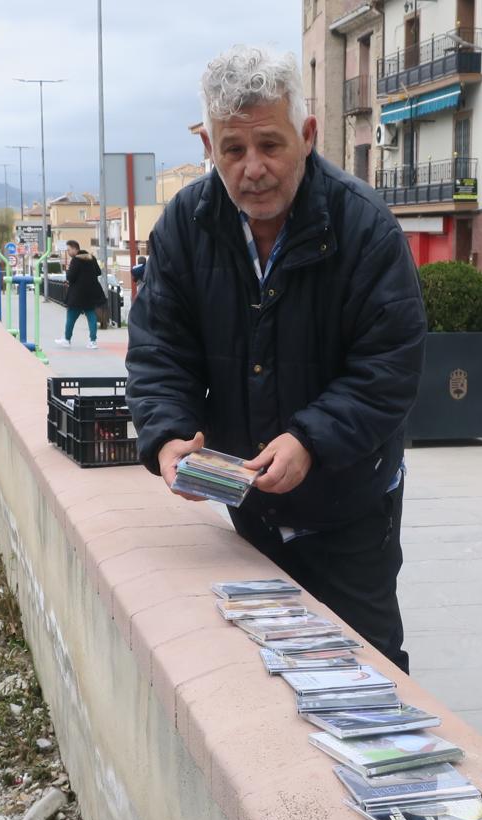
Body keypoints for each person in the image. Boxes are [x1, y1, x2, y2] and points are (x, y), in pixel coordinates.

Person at [125, 45, 426, 673]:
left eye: (271, 145)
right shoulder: (186, 223)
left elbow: (389, 366)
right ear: (209, 146)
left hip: (351, 509)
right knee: (265, 676)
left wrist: (310, 439)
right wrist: (168, 436)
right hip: (251, 508)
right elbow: (159, 350)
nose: (253, 169)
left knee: (366, 670)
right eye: (233, 150)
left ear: (308, 135)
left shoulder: (366, 227)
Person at [55, 240, 106, 349]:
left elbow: (70, 277)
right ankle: (93, 341)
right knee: (91, 316)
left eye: (69, 250)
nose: (68, 252)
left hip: (77, 295)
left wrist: (69, 272)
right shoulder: (91, 258)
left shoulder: (76, 260)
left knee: (71, 317)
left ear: (75, 248)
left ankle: (67, 339)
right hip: (90, 293)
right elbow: (98, 272)